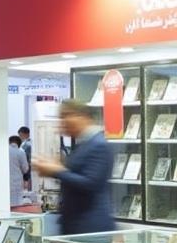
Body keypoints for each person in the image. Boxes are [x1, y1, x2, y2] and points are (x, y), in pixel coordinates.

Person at [31, 100, 112, 235]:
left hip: (89, 230)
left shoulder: (99, 145)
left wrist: (57, 171)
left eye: (65, 116)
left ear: (82, 116)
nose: (62, 122)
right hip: (75, 227)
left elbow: (91, 183)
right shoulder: (83, 144)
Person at [8, 134, 29, 208]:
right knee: (16, 204)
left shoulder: (3, 151)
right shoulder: (21, 152)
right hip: (16, 182)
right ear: (19, 144)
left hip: (4, 181)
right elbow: (25, 169)